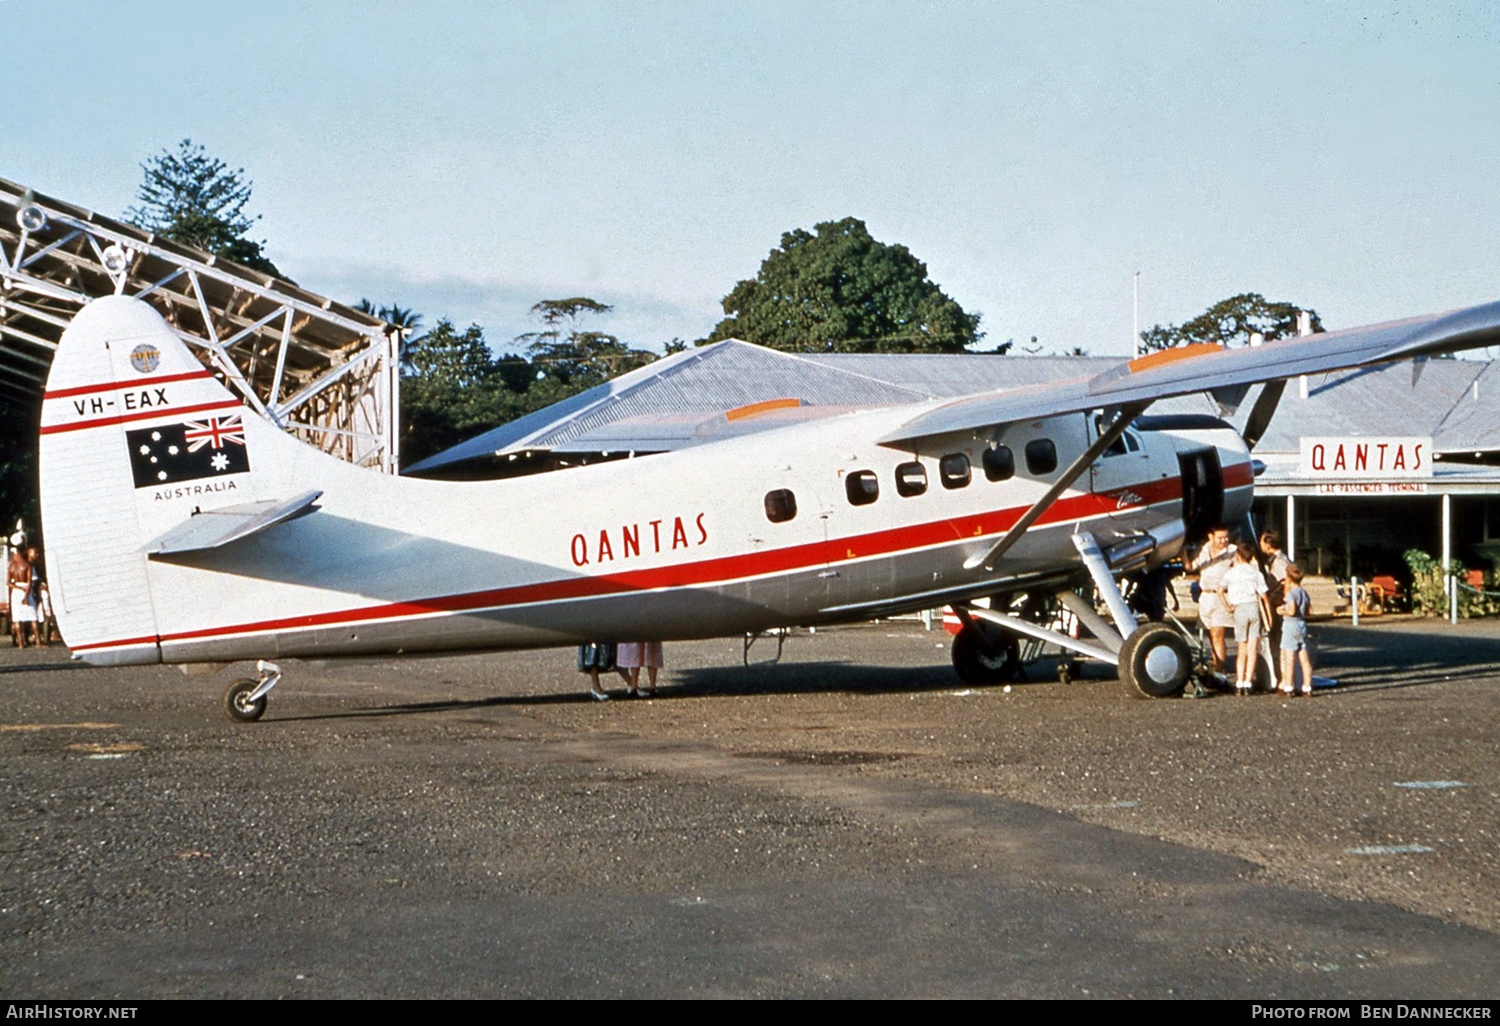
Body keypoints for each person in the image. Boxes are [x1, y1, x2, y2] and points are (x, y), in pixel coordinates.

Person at [1219, 541, 1272, 695]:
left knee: (1241, 648)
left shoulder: (1231, 573)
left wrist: (1228, 606)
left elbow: (1220, 590)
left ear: (1238, 555)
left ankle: (1239, 682)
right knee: (1252, 648)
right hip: (1253, 607)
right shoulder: (1255, 573)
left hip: (1239, 609)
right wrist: (1268, 617)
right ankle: (1248, 682)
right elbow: (1264, 597)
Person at [1191, 526, 1235, 676]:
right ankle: (1216, 665)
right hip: (1206, 596)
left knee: (1218, 634)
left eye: (1226, 537)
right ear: (1211, 537)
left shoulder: (1232, 551)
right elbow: (1191, 567)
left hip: (1221, 596)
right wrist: (1182, 554)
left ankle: (1220, 670)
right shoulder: (1204, 550)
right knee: (1211, 635)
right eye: (1220, 538)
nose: (1224, 541)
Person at [1279, 564, 1314, 697]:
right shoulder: (1304, 593)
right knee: (1304, 659)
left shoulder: (1291, 594)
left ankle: (1288, 687)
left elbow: (1292, 610)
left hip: (1290, 626)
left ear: (1288, 578)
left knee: (1289, 659)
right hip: (1302, 625)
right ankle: (1307, 686)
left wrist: (1282, 611)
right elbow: (1309, 611)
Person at [7, 544, 38, 648]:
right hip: (25, 590)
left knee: (17, 618)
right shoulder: (27, 564)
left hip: (15, 591)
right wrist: (25, 595)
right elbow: (29, 582)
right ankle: (37, 641)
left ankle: (20, 643)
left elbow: (9, 583)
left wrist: (18, 588)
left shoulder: (11, 566)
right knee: (33, 616)